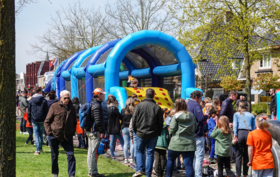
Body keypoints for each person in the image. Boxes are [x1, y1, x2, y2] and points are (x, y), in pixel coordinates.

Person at [44, 90, 77, 177]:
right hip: (54, 135)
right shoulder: (54, 106)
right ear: (61, 98)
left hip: (67, 136)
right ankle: (55, 173)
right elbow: (47, 121)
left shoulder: (72, 107)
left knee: (71, 155)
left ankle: (71, 175)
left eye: (68, 98)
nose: (66, 99)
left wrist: (72, 131)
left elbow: (74, 121)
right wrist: (49, 133)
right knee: (54, 156)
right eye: (65, 98)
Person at [132, 89, 163, 177]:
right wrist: (159, 132)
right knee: (150, 153)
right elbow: (160, 122)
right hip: (152, 133)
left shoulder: (139, 106)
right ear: (153, 96)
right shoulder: (157, 107)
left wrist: (135, 131)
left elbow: (134, 120)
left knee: (140, 151)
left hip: (141, 133)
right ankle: (148, 174)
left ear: (145, 96)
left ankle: (139, 170)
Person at [166, 98, 197, 177]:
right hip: (189, 143)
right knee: (188, 165)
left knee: (170, 160)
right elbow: (195, 127)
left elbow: (172, 129)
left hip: (176, 142)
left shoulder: (175, 116)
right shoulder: (191, 115)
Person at [186, 90, 208, 177]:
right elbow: (201, 119)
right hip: (197, 134)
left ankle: (192, 173)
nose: (201, 100)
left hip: (188, 134)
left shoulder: (186, 104)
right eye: (200, 98)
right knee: (199, 156)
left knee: (192, 156)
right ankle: (198, 175)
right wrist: (206, 115)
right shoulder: (196, 105)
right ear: (196, 98)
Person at [233, 101, 255, 177]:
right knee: (246, 155)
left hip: (240, 133)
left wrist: (235, 134)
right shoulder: (251, 115)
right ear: (247, 107)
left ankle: (238, 174)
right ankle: (245, 174)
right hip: (249, 133)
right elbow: (253, 127)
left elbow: (235, 125)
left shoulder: (236, 114)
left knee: (238, 156)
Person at [87, 88, 106, 177]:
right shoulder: (97, 106)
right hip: (95, 131)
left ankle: (91, 171)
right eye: (102, 94)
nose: (104, 95)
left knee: (90, 152)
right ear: (98, 95)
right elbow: (98, 120)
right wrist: (102, 131)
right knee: (94, 152)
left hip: (90, 131)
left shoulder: (91, 103)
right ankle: (93, 172)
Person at [28, 87, 48, 155]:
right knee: (40, 134)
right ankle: (40, 147)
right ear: (40, 92)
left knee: (36, 134)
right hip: (42, 119)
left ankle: (37, 150)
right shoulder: (44, 100)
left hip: (34, 119)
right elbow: (46, 111)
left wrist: (29, 120)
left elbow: (29, 111)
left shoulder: (31, 100)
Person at [107, 95, 124, 159]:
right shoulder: (114, 108)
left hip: (110, 126)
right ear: (114, 101)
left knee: (112, 141)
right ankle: (126, 154)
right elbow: (120, 116)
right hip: (116, 126)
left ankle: (112, 155)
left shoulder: (108, 108)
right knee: (122, 141)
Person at [154, 108, 170, 177]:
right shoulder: (165, 126)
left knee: (157, 158)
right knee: (163, 158)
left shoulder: (155, 125)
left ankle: (157, 172)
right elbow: (167, 136)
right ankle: (162, 172)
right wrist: (168, 143)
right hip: (163, 144)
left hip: (156, 143)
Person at [121, 97, 135, 164]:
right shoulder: (134, 110)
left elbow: (121, 118)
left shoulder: (123, 110)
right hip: (132, 128)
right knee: (132, 143)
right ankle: (131, 158)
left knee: (125, 143)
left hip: (124, 128)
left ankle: (126, 158)